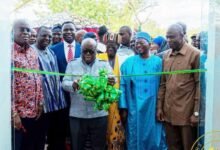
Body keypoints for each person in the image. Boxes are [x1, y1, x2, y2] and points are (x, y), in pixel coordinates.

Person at [62, 38, 115, 150]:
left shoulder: (104, 65)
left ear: (96, 51)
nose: (87, 54)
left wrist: (111, 80)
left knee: (98, 146)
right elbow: (64, 83)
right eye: (85, 51)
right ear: (80, 50)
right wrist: (73, 84)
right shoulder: (72, 64)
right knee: (77, 146)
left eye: (91, 51)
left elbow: (112, 78)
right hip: (78, 115)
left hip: (98, 114)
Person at [119, 32, 167, 150]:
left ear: (150, 44)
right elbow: (123, 85)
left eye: (141, 42)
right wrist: (123, 106)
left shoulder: (158, 62)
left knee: (154, 136)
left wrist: (161, 107)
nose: (138, 45)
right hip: (134, 106)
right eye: (136, 43)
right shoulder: (129, 62)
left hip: (153, 106)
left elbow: (163, 85)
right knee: (134, 136)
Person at [157, 24, 200, 150]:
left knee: (189, 147)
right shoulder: (166, 56)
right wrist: (159, 107)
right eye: (167, 37)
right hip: (168, 112)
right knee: (172, 147)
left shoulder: (195, 55)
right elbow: (163, 84)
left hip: (186, 115)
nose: (169, 40)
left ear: (182, 35)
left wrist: (196, 113)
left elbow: (199, 85)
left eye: (172, 37)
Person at [32, 26, 67, 150]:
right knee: (40, 137)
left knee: (57, 137)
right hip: (42, 104)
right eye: (44, 35)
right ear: (37, 35)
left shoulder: (51, 51)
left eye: (49, 36)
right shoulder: (31, 52)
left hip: (57, 102)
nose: (47, 38)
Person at [11, 19, 44, 150]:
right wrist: (13, 114)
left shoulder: (32, 52)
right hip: (19, 115)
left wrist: (41, 102)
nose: (25, 32)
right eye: (22, 29)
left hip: (35, 113)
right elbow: (4, 89)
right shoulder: (7, 53)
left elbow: (38, 77)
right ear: (13, 31)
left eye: (27, 30)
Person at [50, 21, 81, 150]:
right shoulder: (53, 50)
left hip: (79, 95)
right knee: (60, 127)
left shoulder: (83, 48)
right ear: (61, 32)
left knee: (77, 129)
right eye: (65, 30)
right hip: (59, 96)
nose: (68, 32)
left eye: (71, 29)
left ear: (75, 31)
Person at [97, 33, 125, 150]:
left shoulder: (123, 60)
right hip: (101, 101)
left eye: (114, 45)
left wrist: (123, 105)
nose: (111, 47)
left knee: (116, 129)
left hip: (117, 102)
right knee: (101, 130)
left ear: (118, 46)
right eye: (108, 45)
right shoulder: (98, 58)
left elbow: (124, 83)